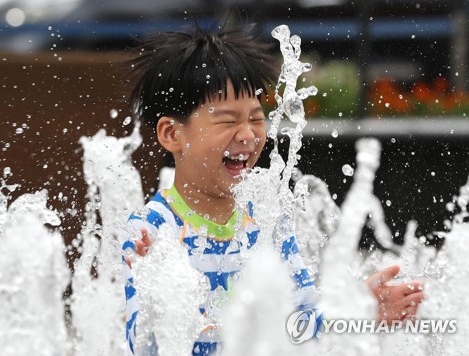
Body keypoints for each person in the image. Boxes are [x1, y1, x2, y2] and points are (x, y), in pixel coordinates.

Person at [121, 24, 424, 355]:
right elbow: (143, 346)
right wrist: (156, 301)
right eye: (226, 121)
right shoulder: (152, 231)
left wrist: (358, 308)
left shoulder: (266, 219)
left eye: (255, 118)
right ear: (171, 134)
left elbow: (302, 324)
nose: (248, 136)